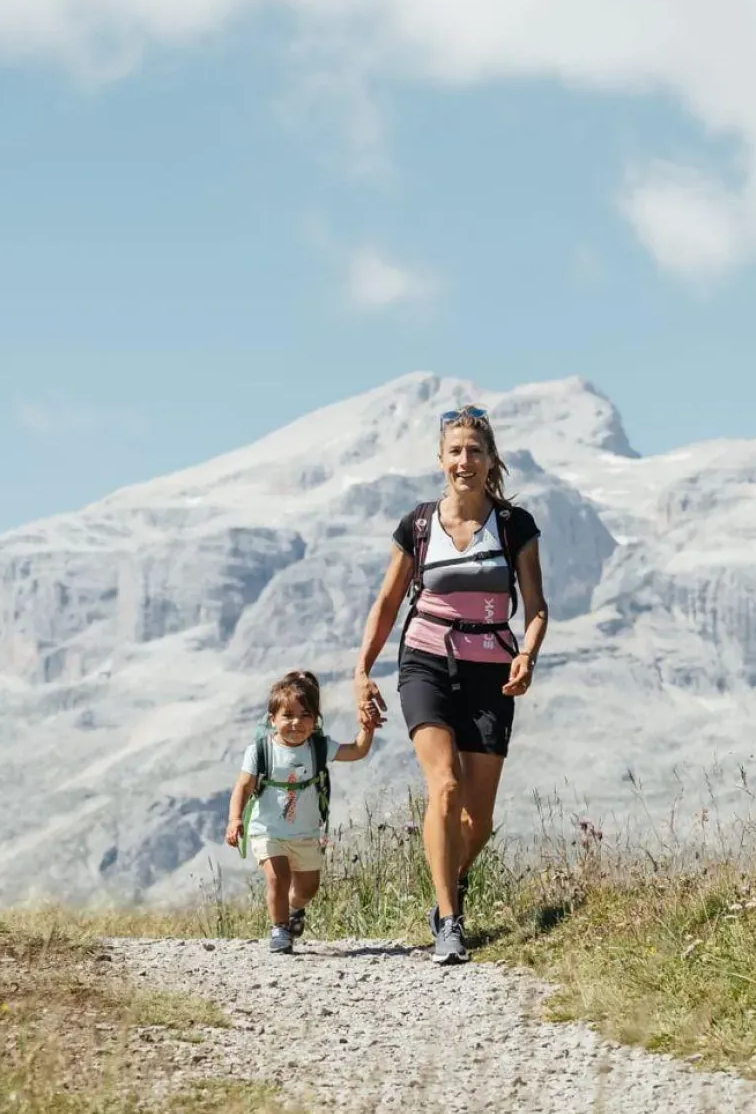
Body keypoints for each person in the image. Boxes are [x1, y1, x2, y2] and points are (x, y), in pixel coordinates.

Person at [353, 405, 547, 965]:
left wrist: (527, 656)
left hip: (493, 669)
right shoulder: (417, 525)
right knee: (444, 786)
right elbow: (388, 603)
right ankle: (450, 919)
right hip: (425, 661)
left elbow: (535, 608)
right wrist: (363, 669)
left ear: (491, 461)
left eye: (475, 451)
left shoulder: (515, 526)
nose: (465, 461)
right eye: (455, 451)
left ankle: (447, 883)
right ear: (441, 460)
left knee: (477, 819)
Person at [224, 669, 376, 954]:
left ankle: (294, 910)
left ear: (315, 720)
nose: (296, 723)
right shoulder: (260, 750)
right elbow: (243, 788)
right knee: (278, 877)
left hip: (305, 833)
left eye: (305, 715)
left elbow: (356, 751)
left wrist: (367, 730)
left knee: (308, 887)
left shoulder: (318, 747)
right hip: (267, 830)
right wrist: (235, 820)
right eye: (288, 715)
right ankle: (280, 929)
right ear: (273, 720)